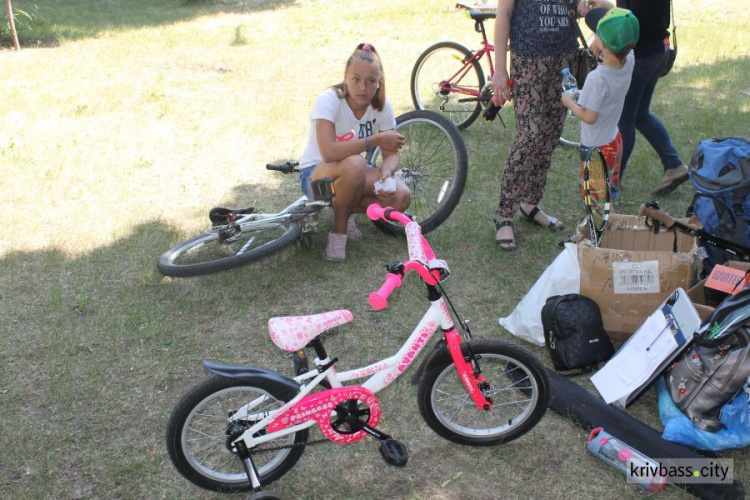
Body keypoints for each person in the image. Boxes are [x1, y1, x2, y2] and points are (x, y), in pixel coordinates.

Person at [298, 43, 410, 261]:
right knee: (356, 164)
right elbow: (329, 152)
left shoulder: (383, 106)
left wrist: (387, 171)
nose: (363, 87)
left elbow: (391, 154)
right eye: (356, 79)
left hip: (352, 174)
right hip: (315, 177)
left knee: (401, 196)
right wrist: (375, 139)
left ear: (379, 83)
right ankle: (338, 232)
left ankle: (345, 206)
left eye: (370, 81)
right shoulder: (329, 100)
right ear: (346, 77)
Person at [492, 0, 588, 251]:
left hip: (565, 59)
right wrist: (500, 69)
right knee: (530, 136)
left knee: (550, 134)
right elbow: (504, 13)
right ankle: (504, 215)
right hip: (528, 60)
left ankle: (530, 203)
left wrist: (582, 6)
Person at [586, 0, 689, 195]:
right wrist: (607, 6)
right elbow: (631, 15)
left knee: (625, 119)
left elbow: (632, 22)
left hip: (642, 56)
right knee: (640, 114)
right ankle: (673, 164)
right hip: (658, 50)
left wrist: (603, 33)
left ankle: (613, 182)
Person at [562, 7, 639, 200]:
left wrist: (569, 103)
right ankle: (609, 222)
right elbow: (621, 40)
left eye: (596, 33)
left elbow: (589, 116)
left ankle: (598, 230)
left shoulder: (597, 78)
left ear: (602, 43)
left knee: (596, 204)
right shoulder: (629, 59)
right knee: (608, 194)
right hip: (614, 140)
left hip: (597, 149)